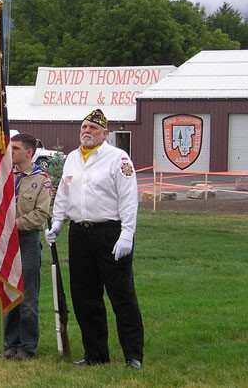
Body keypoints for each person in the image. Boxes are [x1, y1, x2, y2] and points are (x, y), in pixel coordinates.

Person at [45, 109, 144, 370]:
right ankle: (95, 354)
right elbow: (64, 193)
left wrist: (127, 235)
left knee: (121, 295)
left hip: (110, 232)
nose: (87, 131)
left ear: (105, 134)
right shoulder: (72, 158)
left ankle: (133, 355)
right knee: (84, 296)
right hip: (80, 233)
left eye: (93, 128)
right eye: (84, 127)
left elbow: (128, 199)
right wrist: (58, 221)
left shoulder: (118, 158)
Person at [4, 133, 52, 360]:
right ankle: (10, 343)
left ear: (28, 152)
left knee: (28, 295)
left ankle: (28, 346)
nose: (10, 152)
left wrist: (13, 226)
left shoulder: (41, 180)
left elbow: (40, 214)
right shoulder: (5, 177)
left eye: (15, 149)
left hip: (26, 241)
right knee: (9, 291)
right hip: (6, 242)